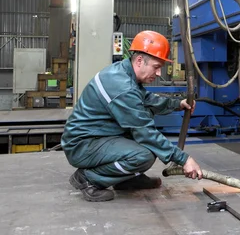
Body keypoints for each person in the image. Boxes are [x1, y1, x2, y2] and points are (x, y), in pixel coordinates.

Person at [61, 30, 203, 202]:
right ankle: (88, 178)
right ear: (140, 60)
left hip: (99, 135)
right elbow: (144, 131)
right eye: (156, 67)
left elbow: (146, 99)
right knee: (143, 155)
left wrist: (177, 104)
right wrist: (184, 159)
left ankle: (126, 179)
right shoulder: (122, 86)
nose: (159, 73)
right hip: (83, 144)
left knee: (146, 144)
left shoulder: (124, 73)